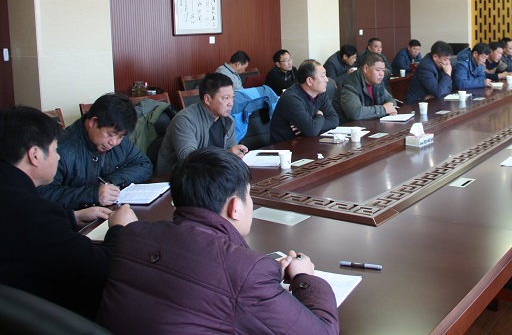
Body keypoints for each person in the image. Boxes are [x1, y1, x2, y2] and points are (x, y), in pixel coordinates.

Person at [97, 147, 339, 334]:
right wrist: (304, 277)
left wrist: (262, 282)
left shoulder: (131, 236)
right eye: (249, 196)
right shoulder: (246, 272)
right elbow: (323, 331)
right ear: (235, 207)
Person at [0, 106, 137, 319]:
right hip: (51, 316)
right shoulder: (37, 215)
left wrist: (73, 216)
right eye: (55, 150)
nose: (57, 157)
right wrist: (120, 228)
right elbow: (103, 269)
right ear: (35, 155)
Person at [38, 93, 152, 209]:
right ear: (93, 122)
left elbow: (144, 165)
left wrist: (110, 182)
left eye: (121, 137)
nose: (114, 142)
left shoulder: (118, 138)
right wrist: (93, 194)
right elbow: (42, 194)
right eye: (110, 135)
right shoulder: (60, 149)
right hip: (75, 217)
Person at [157, 73, 248, 175]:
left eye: (232, 97)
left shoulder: (228, 120)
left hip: (213, 174)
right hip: (180, 177)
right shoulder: (184, 120)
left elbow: (231, 151)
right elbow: (188, 159)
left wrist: (237, 154)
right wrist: (227, 154)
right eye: (226, 98)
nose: (231, 103)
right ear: (207, 99)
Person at [270, 60, 339, 143]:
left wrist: (311, 126)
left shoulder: (320, 93)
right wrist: (320, 115)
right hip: (285, 146)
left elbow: (334, 120)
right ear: (309, 81)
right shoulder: (291, 98)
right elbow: (311, 130)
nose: (327, 79)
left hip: (307, 142)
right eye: (323, 76)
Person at [333, 52, 397, 123]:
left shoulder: (377, 83)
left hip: (371, 123)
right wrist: (384, 109)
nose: (382, 74)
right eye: (378, 70)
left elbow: (390, 99)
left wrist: (390, 107)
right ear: (366, 68)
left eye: (383, 70)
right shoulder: (350, 85)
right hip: (349, 126)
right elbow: (356, 113)